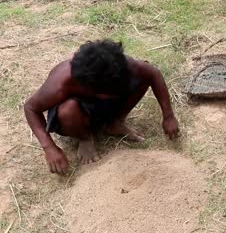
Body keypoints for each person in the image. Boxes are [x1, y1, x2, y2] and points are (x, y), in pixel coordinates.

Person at [24, 39, 179, 175]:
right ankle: (85, 138)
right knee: (68, 110)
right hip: (75, 115)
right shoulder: (61, 82)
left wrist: (168, 116)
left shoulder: (123, 65)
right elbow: (31, 108)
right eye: (109, 93)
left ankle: (114, 124)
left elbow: (153, 73)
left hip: (105, 105)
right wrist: (49, 147)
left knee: (142, 78)